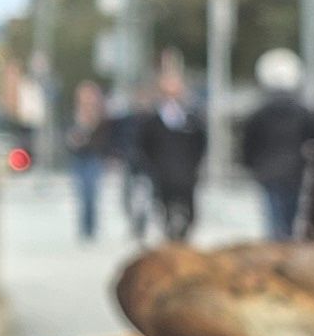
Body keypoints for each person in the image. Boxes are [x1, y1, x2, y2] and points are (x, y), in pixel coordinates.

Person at [238, 46, 314, 239]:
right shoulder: (303, 111)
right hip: (294, 171)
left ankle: (277, 246)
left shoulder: (259, 113)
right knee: (289, 217)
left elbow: (248, 143)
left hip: (267, 172)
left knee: (274, 218)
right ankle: (284, 244)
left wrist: (249, 164)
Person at [119, 53, 210, 240]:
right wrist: (152, 165)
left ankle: (182, 235)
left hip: (186, 173)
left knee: (188, 210)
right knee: (165, 208)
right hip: (162, 173)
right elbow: (143, 144)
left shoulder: (192, 119)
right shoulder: (152, 121)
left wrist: (195, 163)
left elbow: (201, 142)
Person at [62, 76, 113, 239]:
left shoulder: (102, 116)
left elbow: (106, 139)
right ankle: (84, 227)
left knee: (91, 192)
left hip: (94, 156)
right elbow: (66, 136)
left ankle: (91, 227)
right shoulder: (72, 114)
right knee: (81, 193)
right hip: (78, 157)